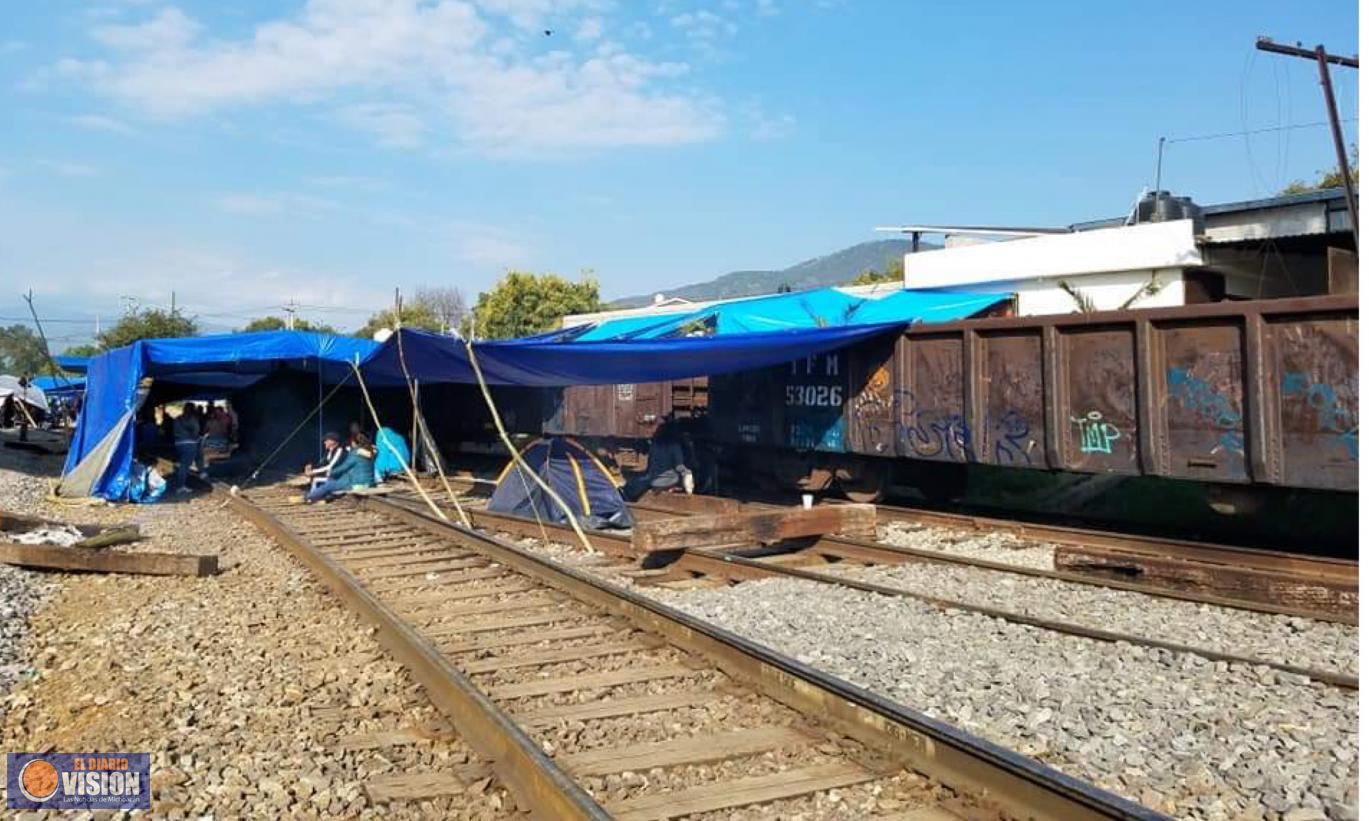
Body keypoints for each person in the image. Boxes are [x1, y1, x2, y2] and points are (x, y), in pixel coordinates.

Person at [624, 416, 693, 501]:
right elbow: (679, 466)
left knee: (639, 482)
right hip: (666, 479)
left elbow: (650, 467)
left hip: (653, 478)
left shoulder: (655, 443)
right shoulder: (674, 444)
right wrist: (686, 472)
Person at [305, 433, 376, 503]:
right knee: (332, 483)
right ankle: (321, 497)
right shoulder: (369, 451)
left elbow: (344, 467)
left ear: (354, 443)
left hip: (357, 484)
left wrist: (331, 473)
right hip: (369, 482)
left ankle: (307, 497)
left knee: (328, 485)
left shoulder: (355, 454)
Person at [172, 405, 205, 494]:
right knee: (185, 466)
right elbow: (196, 432)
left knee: (182, 463)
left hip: (178, 444)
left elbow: (174, 432)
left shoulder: (177, 419)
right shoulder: (193, 420)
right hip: (189, 444)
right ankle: (181, 486)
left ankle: (201, 472)